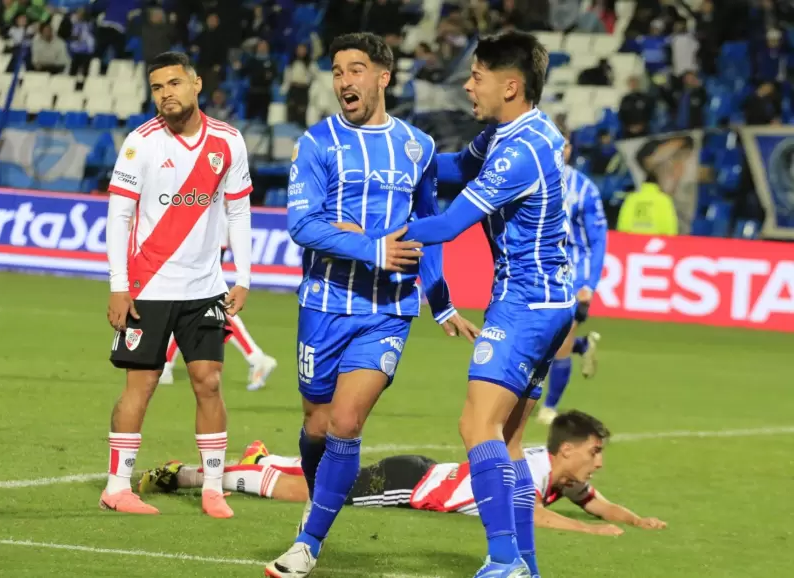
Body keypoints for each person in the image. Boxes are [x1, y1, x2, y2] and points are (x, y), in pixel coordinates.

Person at [349, 30, 573, 577]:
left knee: (477, 428)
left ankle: (502, 561)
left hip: (525, 305)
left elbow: (449, 225)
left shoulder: (518, 151)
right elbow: (450, 170)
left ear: (510, 85)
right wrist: (402, 152)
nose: (468, 85)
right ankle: (525, 566)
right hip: (548, 300)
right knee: (510, 441)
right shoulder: (516, 131)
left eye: (477, 77)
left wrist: (380, 229)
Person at [267, 32, 479, 578]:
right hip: (323, 304)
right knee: (315, 424)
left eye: (355, 70)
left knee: (345, 420)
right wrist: (372, 246)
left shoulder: (418, 148)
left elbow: (427, 232)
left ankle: (308, 543)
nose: (344, 82)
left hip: (388, 310)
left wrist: (441, 301)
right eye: (337, 72)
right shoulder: (316, 144)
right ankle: (320, 504)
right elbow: (301, 224)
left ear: (382, 77)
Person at [103, 51, 253, 519]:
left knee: (208, 382)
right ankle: (117, 487)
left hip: (205, 287)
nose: (165, 94)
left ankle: (212, 487)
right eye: (157, 87)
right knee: (141, 385)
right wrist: (118, 286)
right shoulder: (140, 143)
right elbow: (118, 216)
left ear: (196, 84)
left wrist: (244, 276)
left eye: (173, 83)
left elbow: (238, 211)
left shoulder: (228, 141)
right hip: (147, 288)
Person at [140, 409, 667, 536]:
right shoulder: (527, 468)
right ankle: (198, 476)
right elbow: (531, 516)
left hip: (415, 472)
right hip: (408, 484)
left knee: (318, 486)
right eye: (594, 452)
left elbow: (598, 501)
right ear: (566, 450)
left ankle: (260, 458)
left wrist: (636, 519)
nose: (597, 461)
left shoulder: (564, 478)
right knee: (311, 494)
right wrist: (591, 530)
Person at [161, 201, 278, 391]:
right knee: (195, 308)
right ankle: (256, 358)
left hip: (207, 236)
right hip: (207, 232)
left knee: (196, 306)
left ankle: (165, 365)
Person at [537, 140, 607, 425]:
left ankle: (550, 406)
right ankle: (582, 346)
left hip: (574, 275)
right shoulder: (533, 179)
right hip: (539, 272)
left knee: (560, 339)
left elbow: (597, 240)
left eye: (565, 144)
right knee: (542, 340)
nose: (560, 149)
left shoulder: (585, 189)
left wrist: (589, 284)